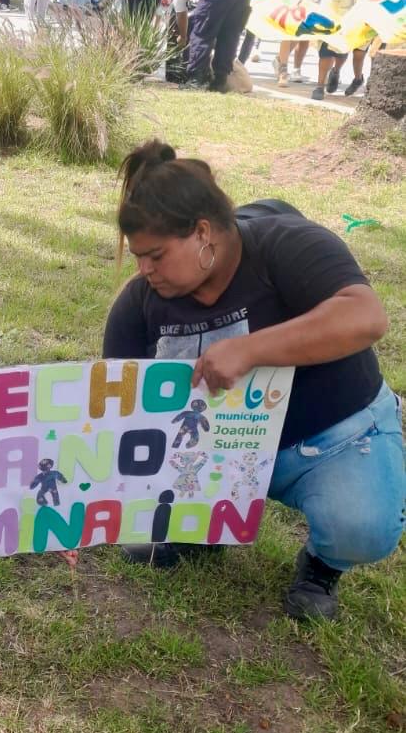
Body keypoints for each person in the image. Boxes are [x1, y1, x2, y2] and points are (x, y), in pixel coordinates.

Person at [102, 141, 404, 621]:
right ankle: (199, 527)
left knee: (360, 526)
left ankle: (323, 566)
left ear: (203, 233)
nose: (143, 270)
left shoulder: (286, 244)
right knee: (148, 522)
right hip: (215, 450)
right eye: (139, 256)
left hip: (329, 437)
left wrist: (249, 349)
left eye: (155, 256)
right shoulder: (139, 302)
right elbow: (122, 409)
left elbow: (366, 317)